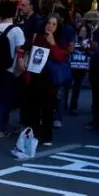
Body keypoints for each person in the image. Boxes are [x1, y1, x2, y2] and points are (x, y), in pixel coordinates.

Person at [22, 13, 69, 145]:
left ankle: (47, 136)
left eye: (54, 24)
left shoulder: (60, 40)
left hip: (50, 79)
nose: (50, 26)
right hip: (36, 76)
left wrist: (53, 43)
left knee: (48, 109)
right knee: (34, 108)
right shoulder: (37, 37)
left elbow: (61, 57)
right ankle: (35, 134)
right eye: (49, 23)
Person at [0, 0, 25, 139]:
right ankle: (0, 127)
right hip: (9, 69)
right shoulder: (17, 30)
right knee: (5, 99)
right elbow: (19, 50)